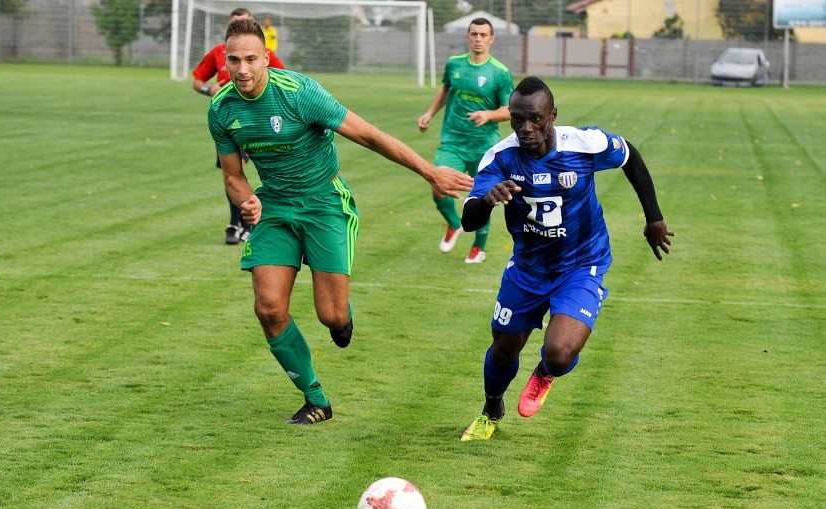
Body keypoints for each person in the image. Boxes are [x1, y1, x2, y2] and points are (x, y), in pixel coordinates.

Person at [208, 18, 473, 425]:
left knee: (330, 316)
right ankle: (316, 399)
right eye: (233, 60)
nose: (242, 69)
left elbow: (369, 135)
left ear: (266, 59)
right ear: (224, 61)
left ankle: (342, 317)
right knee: (268, 308)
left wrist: (429, 171)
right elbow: (232, 175)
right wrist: (248, 203)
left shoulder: (300, 93)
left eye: (250, 59)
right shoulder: (222, 107)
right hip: (275, 208)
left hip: (325, 205)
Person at [459, 77, 675, 441]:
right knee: (504, 348)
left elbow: (630, 156)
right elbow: (469, 221)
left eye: (535, 119)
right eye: (517, 120)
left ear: (552, 115)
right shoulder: (500, 158)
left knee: (559, 353)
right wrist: (487, 199)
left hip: (582, 263)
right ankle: (491, 406)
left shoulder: (585, 144)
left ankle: (545, 371)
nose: (526, 129)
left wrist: (653, 217)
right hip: (528, 269)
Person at [417, 17, 513, 264]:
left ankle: (478, 247)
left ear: (491, 39)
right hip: (453, 142)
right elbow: (446, 90)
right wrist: (428, 113)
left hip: (484, 145)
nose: (478, 39)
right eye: (474, 34)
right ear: (468, 37)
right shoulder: (454, 64)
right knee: (438, 186)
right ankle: (454, 224)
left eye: (483, 35)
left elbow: (510, 109)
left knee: (483, 196)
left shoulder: (500, 73)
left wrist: (488, 114)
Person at [192, 7, 285, 245]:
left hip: (256, 120)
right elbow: (198, 80)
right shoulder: (217, 53)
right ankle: (238, 224)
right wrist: (208, 89)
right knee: (232, 173)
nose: (242, 67)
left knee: (242, 170)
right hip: (228, 121)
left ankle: (246, 224)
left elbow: (282, 78)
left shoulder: (263, 54)